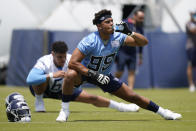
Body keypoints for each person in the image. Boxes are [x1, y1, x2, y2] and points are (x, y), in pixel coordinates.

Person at [59, 9, 182, 122]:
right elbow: (73, 63)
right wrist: (94, 74)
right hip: (86, 73)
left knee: (133, 96)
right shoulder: (90, 40)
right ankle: (64, 110)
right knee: (70, 74)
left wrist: (130, 32)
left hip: (105, 75)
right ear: (99, 26)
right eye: (107, 22)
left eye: (112, 21)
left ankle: (164, 112)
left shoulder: (117, 36)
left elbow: (144, 42)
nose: (111, 24)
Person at [26, 41, 140, 114]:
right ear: (52, 54)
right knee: (40, 79)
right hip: (43, 89)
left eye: (64, 57)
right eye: (59, 57)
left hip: (64, 90)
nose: (62, 60)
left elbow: (85, 71)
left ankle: (123, 107)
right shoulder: (45, 61)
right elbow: (30, 79)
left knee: (93, 98)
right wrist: (51, 75)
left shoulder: (71, 60)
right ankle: (39, 100)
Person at [115, 10, 145, 89]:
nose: (142, 20)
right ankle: (112, 86)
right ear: (134, 16)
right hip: (122, 52)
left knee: (132, 72)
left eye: (143, 18)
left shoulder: (140, 28)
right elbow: (114, 37)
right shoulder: (123, 23)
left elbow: (141, 43)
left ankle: (130, 90)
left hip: (133, 53)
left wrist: (140, 56)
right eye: (140, 18)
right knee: (120, 72)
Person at [185, 10, 196, 92]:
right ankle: (191, 85)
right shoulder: (188, 23)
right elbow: (193, 30)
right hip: (191, 47)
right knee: (190, 65)